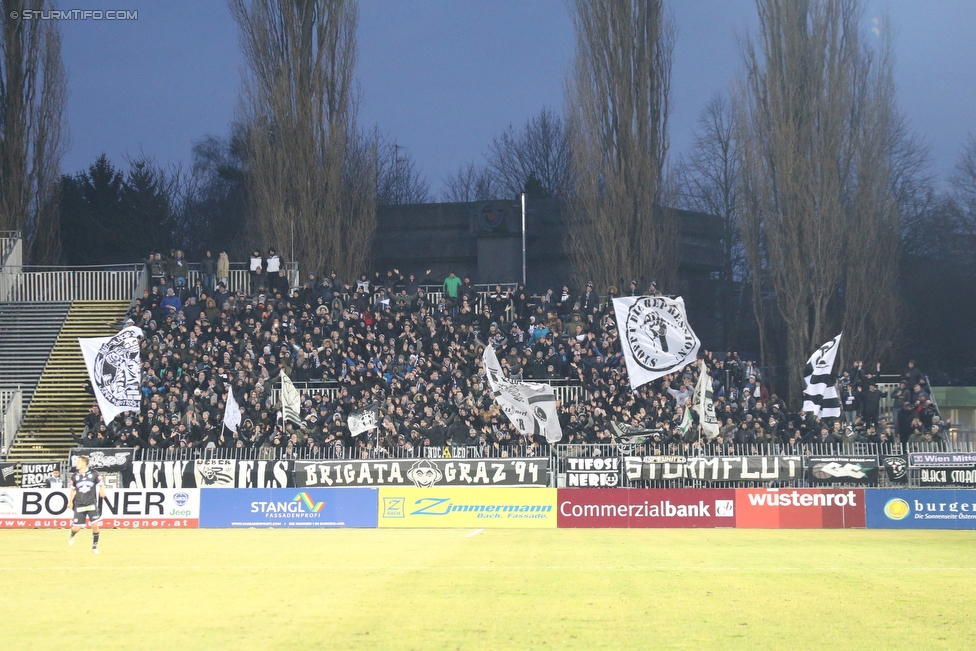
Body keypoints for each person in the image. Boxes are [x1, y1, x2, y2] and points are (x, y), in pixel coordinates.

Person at [68, 455, 107, 553]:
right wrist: (70, 502)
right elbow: (72, 491)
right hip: (79, 504)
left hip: (91, 503)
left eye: (78, 462)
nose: (76, 464)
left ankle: (94, 547)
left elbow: (102, 485)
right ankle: (72, 534)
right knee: (77, 528)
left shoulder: (94, 474)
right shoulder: (75, 476)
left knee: (95, 524)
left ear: (84, 463)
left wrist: (102, 491)